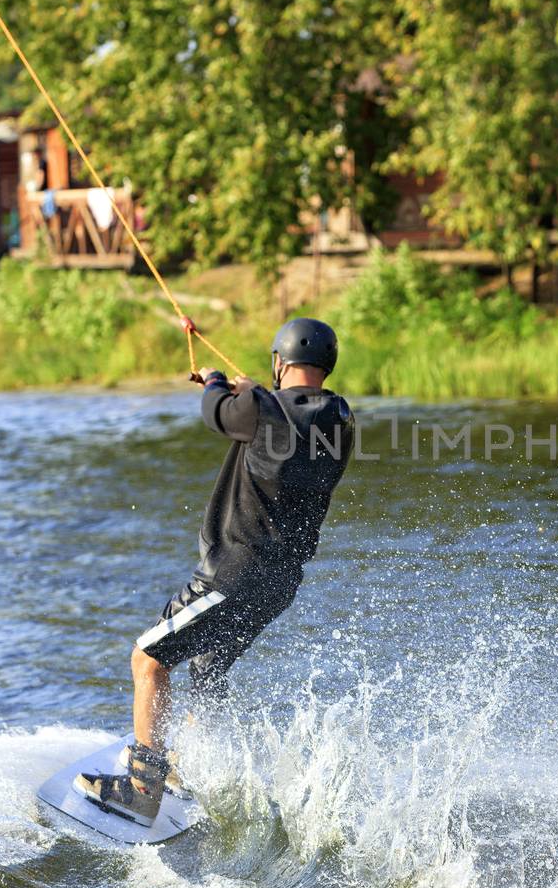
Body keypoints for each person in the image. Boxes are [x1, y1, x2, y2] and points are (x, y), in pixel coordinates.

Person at [75, 318, 356, 825]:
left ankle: (142, 788)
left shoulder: (262, 408)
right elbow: (275, 414)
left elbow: (217, 412)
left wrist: (212, 380)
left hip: (233, 572)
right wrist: (248, 394)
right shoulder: (340, 418)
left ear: (280, 360)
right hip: (280, 582)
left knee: (149, 661)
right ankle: (188, 768)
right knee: (207, 666)